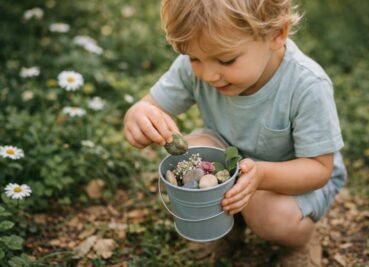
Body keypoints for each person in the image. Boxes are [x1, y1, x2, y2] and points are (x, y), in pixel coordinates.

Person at [124, 0, 347, 266]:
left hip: (291, 179)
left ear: (277, 34)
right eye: (194, 58)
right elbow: (150, 106)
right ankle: (230, 224)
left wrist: (261, 175)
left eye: (226, 60)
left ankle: (300, 240)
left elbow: (318, 169)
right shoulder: (199, 65)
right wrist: (138, 115)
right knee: (193, 152)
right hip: (232, 162)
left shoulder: (306, 85)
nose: (208, 74)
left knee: (272, 217)